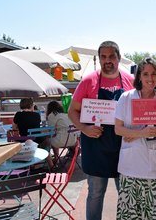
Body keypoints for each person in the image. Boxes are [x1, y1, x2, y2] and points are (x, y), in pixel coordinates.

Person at [68, 41, 134, 220]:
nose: (108, 61)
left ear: (119, 58)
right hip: (96, 148)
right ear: (99, 59)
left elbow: (138, 111)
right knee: (96, 194)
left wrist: (134, 131)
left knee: (127, 194)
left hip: (124, 148)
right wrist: (84, 128)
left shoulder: (131, 81)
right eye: (103, 57)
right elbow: (72, 111)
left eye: (111, 56)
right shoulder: (88, 81)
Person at [115, 57, 156, 219]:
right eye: (146, 74)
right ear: (139, 77)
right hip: (130, 167)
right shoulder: (126, 98)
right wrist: (140, 133)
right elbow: (118, 129)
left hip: (155, 168)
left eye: (154, 74)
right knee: (131, 214)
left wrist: (144, 133)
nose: (150, 78)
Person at [12, 97, 54, 168]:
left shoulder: (18, 114)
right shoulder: (36, 115)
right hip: (37, 140)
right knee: (46, 142)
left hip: (24, 140)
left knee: (14, 140)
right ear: (31, 105)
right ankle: (51, 165)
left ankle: (28, 164)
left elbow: (14, 127)